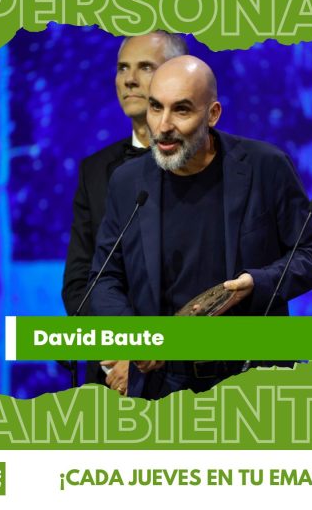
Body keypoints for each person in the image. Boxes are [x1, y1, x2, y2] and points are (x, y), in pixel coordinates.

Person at [89, 55, 312, 399]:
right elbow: (104, 279)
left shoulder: (266, 167)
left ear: (213, 114)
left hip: (252, 378)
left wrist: (258, 283)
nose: (163, 126)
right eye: (156, 107)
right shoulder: (128, 182)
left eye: (182, 110)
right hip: (162, 385)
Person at [62, 31, 188, 387]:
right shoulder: (94, 171)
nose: (129, 79)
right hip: (112, 377)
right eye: (122, 68)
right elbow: (79, 282)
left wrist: (152, 353)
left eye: (145, 67)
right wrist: (119, 352)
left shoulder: (219, 165)